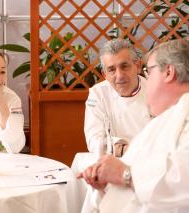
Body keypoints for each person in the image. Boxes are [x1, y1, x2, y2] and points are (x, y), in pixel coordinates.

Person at [79, 39, 189, 212]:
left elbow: (180, 180)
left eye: (149, 72)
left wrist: (124, 175)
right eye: (111, 69)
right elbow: (96, 140)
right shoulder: (171, 116)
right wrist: (107, 184)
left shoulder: (179, 116)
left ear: (169, 72)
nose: (120, 76)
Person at [84, 38, 151, 158]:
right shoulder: (98, 94)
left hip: (150, 160)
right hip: (113, 162)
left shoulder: (154, 90)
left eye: (124, 66)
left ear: (138, 66)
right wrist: (126, 150)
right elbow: (94, 142)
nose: (119, 76)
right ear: (104, 75)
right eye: (111, 70)